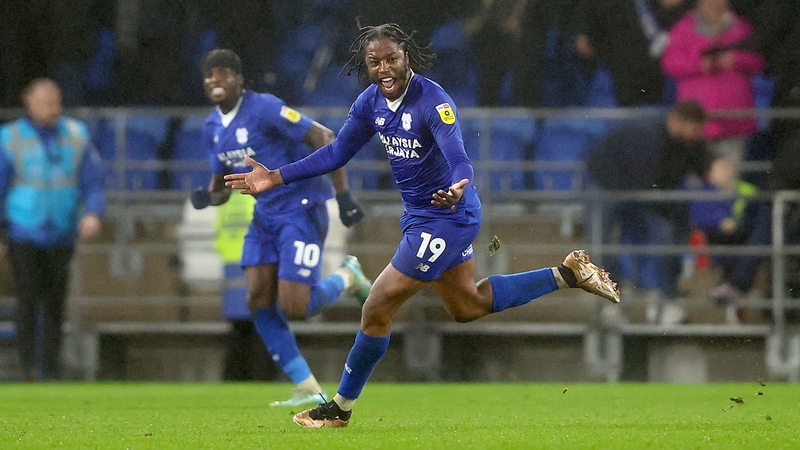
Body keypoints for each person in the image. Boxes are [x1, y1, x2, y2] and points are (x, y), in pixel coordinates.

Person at [224, 23, 620, 428]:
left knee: (377, 305)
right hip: (421, 216)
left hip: (449, 215)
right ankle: (567, 273)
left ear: (406, 58)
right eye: (374, 62)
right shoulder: (369, 103)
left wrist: (458, 185)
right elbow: (337, 152)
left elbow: (459, 156)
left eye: (391, 59)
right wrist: (276, 175)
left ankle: (338, 409)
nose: (384, 69)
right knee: (468, 305)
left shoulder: (433, 101)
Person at [192, 49, 371, 406]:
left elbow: (323, 136)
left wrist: (344, 194)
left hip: (302, 209)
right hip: (265, 216)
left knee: (295, 306)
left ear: (239, 80)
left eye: (224, 72)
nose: (216, 79)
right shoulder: (212, 129)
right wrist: (206, 198)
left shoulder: (265, 108)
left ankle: (348, 276)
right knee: (257, 298)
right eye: (209, 74)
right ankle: (307, 387)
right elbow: (221, 188)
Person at [0, 78, 106, 381]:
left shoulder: (76, 135)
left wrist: (93, 213)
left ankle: (50, 368)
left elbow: (94, 180)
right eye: (47, 102)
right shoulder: (9, 138)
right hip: (23, 231)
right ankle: (28, 368)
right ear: (28, 102)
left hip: (61, 230)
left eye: (57, 102)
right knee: (28, 298)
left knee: (55, 302)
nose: (54, 108)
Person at [586, 100, 713, 325]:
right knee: (599, 245)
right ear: (681, 122)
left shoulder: (685, 140)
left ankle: (667, 301)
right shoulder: (646, 134)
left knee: (666, 236)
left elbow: (698, 160)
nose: (699, 134)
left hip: (641, 192)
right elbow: (643, 177)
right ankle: (610, 302)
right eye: (696, 129)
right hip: (605, 185)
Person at [661, 0, 764, 175]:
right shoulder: (683, 28)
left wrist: (736, 60)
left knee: (729, 179)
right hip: (695, 127)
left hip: (734, 123)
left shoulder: (742, 28)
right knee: (696, 180)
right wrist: (698, 64)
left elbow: (758, 61)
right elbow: (669, 63)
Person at [689, 157, 770, 324]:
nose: (729, 172)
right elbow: (701, 217)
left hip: (743, 238)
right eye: (722, 168)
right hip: (720, 242)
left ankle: (734, 292)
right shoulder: (705, 194)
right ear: (710, 175)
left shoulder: (744, 190)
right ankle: (735, 294)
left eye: (729, 167)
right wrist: (720, 221)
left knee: (762, 231)